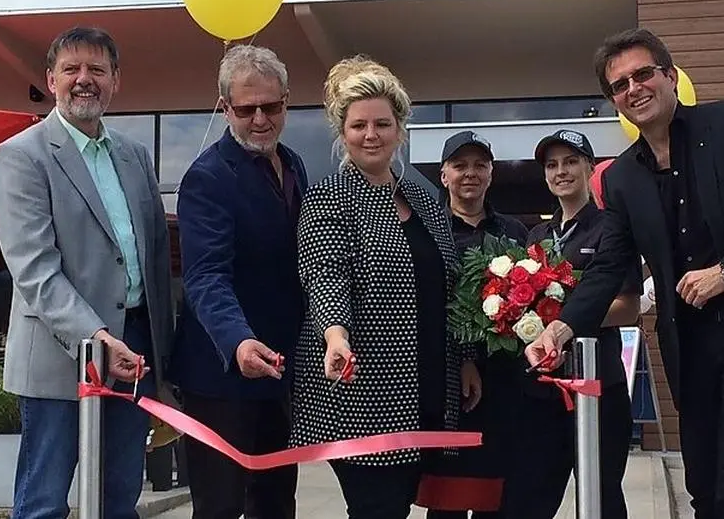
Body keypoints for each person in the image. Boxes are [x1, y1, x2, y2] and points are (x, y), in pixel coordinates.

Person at [526, 28, 724, 519]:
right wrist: (560, 329)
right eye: (620, 85)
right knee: (703, 489)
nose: (634, 89)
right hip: (689, 344)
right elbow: (608, 267)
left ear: (670, 76)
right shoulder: (621, 179)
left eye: (643, 74)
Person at [0, 26, 173, 519]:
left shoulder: (135, 156)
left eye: (97, 69)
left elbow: (156, 262)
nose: (84, 79)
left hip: (133, 353)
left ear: (116, 80)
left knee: (119, 500)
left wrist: (163, 358)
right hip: (59, 357)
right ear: (51, 80)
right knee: (43, 503)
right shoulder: (21, 156)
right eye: (71, 69)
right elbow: (35, 270)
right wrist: (96, 338)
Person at [291, 56, 481, 519]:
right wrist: (335, 334)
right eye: (358, 125)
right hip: (363, 390)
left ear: (400, 129)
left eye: (382, 123)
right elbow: (325, 273)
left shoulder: (425, 200)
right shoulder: (329, 196)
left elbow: (451, 285)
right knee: (378, 509)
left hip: (429, 385)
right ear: (343, 134)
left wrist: (466, 358)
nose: (371, 134)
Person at [169, 45, 306, 519]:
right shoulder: (206, 178)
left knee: (276, 503)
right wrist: (238, 341)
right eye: (247, 110)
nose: (261, 119)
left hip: (279, 372)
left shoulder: (294, 163)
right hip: (221, 375)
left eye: (271, 106)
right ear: (225, 108)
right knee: (220, 507)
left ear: (286, 101)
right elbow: (205, 276)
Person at [493, 129, 642, 519]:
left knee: (601, 498)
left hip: (598, 386)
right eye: (552, 165)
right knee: (528, 498)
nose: (561, 171)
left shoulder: (612, 228)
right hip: (543, 392)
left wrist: (563, 320)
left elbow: (628, 308)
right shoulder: (537, 236)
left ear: (589, 168)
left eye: (571, 161)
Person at [419, 131, 527, 519]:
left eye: (480, 165)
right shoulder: (428, 231)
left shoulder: (514, 232)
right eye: (460, 165)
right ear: (443, 175)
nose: (470, 173)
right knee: (446, 503)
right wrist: (462, 357)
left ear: (491, 173)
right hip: (448, 385)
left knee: (498, 501)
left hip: (505, 383)